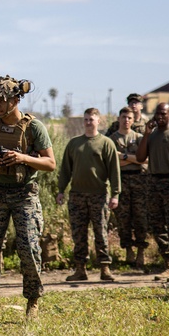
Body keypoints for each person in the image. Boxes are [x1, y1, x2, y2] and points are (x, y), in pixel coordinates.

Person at [0, 75, 55, 324]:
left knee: (28, 247)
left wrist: (22, 158)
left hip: (24, 193)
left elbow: (50, 163)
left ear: (16, 100)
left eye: (2, 100)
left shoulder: (33, 127)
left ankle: (33, 302)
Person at [57, 108, 121, 282]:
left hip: (98, 195)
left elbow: (114, 171)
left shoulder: (106, 143)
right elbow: (65, 170)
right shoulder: (74, 143)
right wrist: (61, 190)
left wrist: (115, 194)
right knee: (79, 234)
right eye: (85, 119)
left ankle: (105, 268)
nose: (88, 122)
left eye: (91, 119)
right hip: (77, 195)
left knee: (100, 232)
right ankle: (80, 269)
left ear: (98, 121)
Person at [136, 103, 169, 280]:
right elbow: (140, 158)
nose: (159, 117)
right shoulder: (151, 136)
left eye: (163, 114)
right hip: (154, 182)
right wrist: (146, 134)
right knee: (157, 225)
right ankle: (168, 263)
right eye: (157, 113)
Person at [109, 106, 149, 271]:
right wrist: (134, 159)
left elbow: (145, 160)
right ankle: (128, 250)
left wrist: (124, 157)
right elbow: (113, 161)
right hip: (121, 181)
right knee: (123, 218)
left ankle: (141, 251)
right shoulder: (112, 139)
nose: (126, 120)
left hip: (139, 180)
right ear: (119, 119)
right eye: (124, 117)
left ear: (134, 120)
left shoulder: (139, 138)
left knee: (140, 217)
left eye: (129, 118)